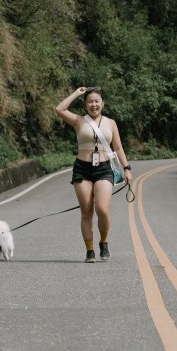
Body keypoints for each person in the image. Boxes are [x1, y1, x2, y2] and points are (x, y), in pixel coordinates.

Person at [55, 87, 133, 262]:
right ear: (85, 104)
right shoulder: (78, 121)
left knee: (103, 210)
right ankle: (89, 251)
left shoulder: (110, 123)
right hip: (82, 169)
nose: (93, 104)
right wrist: (76, 93)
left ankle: (103, 243)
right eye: (90, 101)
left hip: (104, 168)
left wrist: (126, 168)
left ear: (102, 103)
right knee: (86, 211)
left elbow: (118, 147)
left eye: (97, 101)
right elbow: (59, 109)